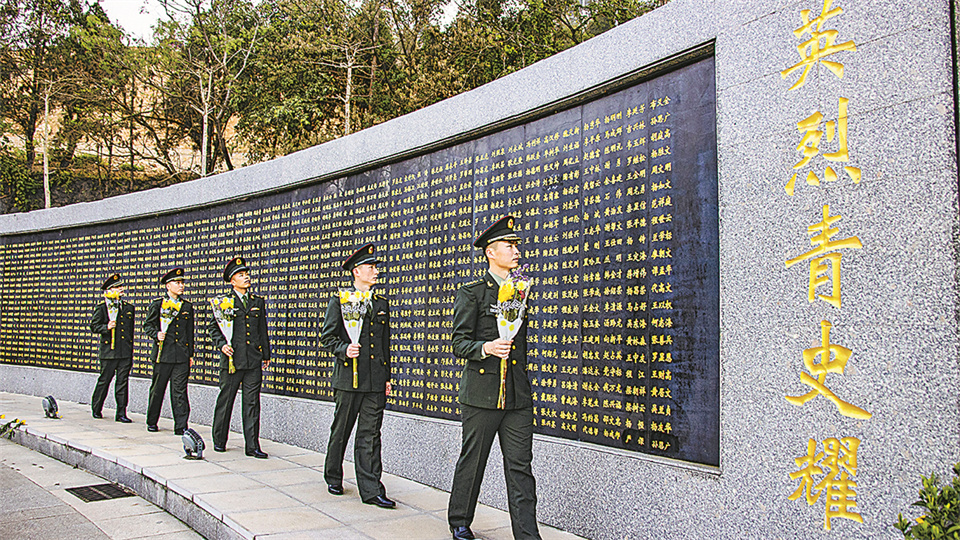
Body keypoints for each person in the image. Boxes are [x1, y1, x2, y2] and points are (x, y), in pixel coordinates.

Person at [447, 216, 540, 540]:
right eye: (509, 246)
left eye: (516, 246)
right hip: (481, 395)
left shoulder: (520, 291)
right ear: (491, 252)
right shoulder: (472, 293)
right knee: (473, 462)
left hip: (516, 396)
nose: (516, 251)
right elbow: (459, 342)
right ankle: (459, 519)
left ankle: (528, 534)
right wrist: (485, 346)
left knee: (520, 469)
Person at [320, 243, 395, 509]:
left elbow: (385, 344)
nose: (375, 272)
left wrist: (387, 377)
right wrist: (344, 349)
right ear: (356, 271)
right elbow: (327, 337)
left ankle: (372, 489)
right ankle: (333, 475)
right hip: (348, 379)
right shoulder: (340, 301)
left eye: (376, 267)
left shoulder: (381, 303)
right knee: (341, 429)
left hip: (374, 380)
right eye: (370, 267)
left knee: (371, 434)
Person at [209, 256, 271, 458]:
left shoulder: (257, 302)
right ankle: (219, 439)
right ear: (231, 280)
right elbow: (214, 328)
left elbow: (262, 330)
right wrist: (222, 345)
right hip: (232, 359)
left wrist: (266, 355)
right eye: (240, 275)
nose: (246, 278)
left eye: (246, 274)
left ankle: (252, 445)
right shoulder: (224, 302)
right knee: (226, 400)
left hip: (253, 358)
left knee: (252, 403)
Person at [143, 267, 194, 435]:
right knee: (158, 389)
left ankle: (181, 425)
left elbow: (189, 333)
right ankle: (152, 420)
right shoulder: (158, 304)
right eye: (177, 283)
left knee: (179, 391)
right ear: (168, 285)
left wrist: (191, 354)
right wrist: (156, 334)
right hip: (162, 354)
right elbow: (148, 325)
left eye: (182, 283)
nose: (181, 286)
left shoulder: (186, 306)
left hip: (181, 356)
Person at [89, 273, 134, 423]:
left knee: (122, 382)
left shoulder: (128, 308)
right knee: (105, 380)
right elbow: (94, 326)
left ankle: (121, 412)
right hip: (109, 352)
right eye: (116, 287)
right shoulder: (102, 308)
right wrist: (106, 327)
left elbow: (129, 331)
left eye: (121, 287)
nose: (121, 289)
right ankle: (97, 407)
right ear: (107, 292)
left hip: (124, 352)